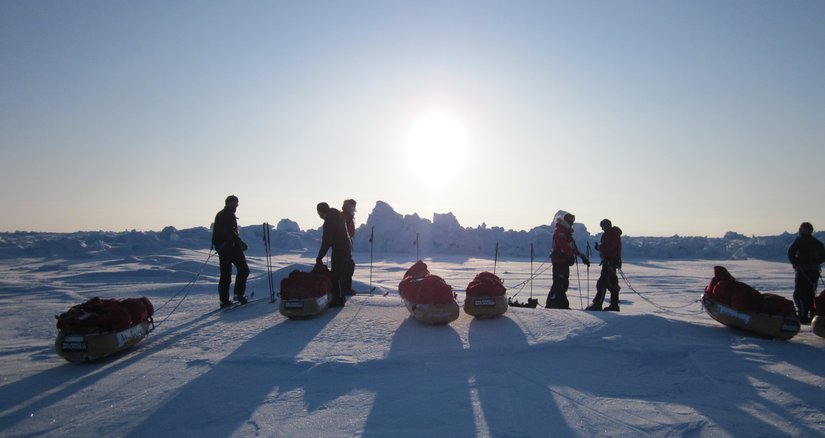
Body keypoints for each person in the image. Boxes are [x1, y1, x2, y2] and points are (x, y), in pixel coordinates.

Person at [211, 195, 249, 308]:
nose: (236, 205)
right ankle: (238, 294)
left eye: (236, 203)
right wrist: (240, 243)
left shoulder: (220, 214)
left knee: (225, 274)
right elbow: (230, 232)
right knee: (244, 270)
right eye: (233, 203)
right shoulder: (228, 215)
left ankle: (224, 300)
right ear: (228, 203)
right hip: (231, 247)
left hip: (222, 249)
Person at [546, 212, 590, 309]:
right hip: (560, 261)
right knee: (559, 283)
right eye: (572, 221)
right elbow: (563, 246)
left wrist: (581, 256)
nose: (572, 223)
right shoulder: (561, 231)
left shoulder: (567, 232)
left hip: (563, 261)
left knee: (562, 283)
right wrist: (569, 256)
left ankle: (557, 303)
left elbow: (572, 247)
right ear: (568, 221)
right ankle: (555, 304)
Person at [787, 222, 825, 324]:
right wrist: (815, 262)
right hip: (814, 272)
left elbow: (790, 253)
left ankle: (803, 316)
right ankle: (813, 315)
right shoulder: (817, 242)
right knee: (810, 293)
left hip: (803, 271)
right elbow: (823, 255)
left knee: (799, 294)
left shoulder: (800, 241)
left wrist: (796, 263)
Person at [316, 202, 353, 307]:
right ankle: (340, 297)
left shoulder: (329, 222)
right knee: (340, 273)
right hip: (346, 247)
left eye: (318, 212)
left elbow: (327, 241)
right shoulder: (338, 216)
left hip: (340, 249)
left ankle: (338, 300)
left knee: (336, 275)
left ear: (321, 212)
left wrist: (320, 256)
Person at [586, 219, 623, 311]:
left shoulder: (610, 234)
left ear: (606, 225)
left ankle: (598, 304)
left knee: (603, 283)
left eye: (603, 226)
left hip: (609, 262)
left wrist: (599, 247)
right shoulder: (614, 233)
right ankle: (614, 305)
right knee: (611, 282)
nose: (602, 229)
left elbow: (609, 247)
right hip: (612, 261)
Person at [341, 199, 357, 296]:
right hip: (343, 246)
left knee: (349, 267)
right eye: (351, 206)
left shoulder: (349, 217)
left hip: (346, 245)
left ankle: (346, 288)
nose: (353, 208)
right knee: (347, 267)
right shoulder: (344, 217)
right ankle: (345, 289)